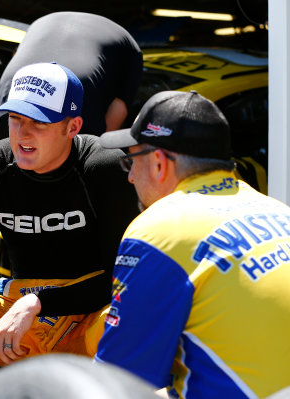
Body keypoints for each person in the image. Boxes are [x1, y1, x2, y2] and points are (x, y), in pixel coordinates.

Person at [0, 62, 139, 396]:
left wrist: (38, 303)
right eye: (15, 119)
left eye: (39, 122)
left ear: (72, 126)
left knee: (126, 320)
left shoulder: (105, 166)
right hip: (24, 307)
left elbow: (121, 283)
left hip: (90, 310)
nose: (22, 133)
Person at [95, 90, 290, 398]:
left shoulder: (158, 230)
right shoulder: (279, 211)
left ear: (158, 163)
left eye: (131, 160)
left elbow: (116, 384)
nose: (130, 176)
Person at [0, 11, 143, 139]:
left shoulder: (85, 123)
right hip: (45, 26)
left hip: (46, 26)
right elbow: (112, 122)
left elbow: (106, 134)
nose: (22, 135)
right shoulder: (4, 119)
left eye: (39, 123)